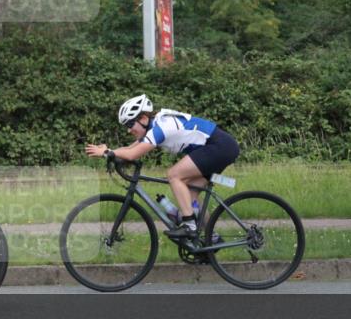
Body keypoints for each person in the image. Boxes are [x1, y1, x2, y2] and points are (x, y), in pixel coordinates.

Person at [85, 94, 239, 239]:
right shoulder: (154, 127)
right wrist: (111, 152)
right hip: (219, 147)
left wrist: (106, 152)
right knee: (191, 196)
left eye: (131, 124)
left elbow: (132, 155)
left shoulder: (160, 128)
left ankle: (189, 225)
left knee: (174, 175)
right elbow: (129, 149)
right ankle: (211, 239)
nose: (129, 129)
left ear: (143, 118)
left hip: (219, 146)